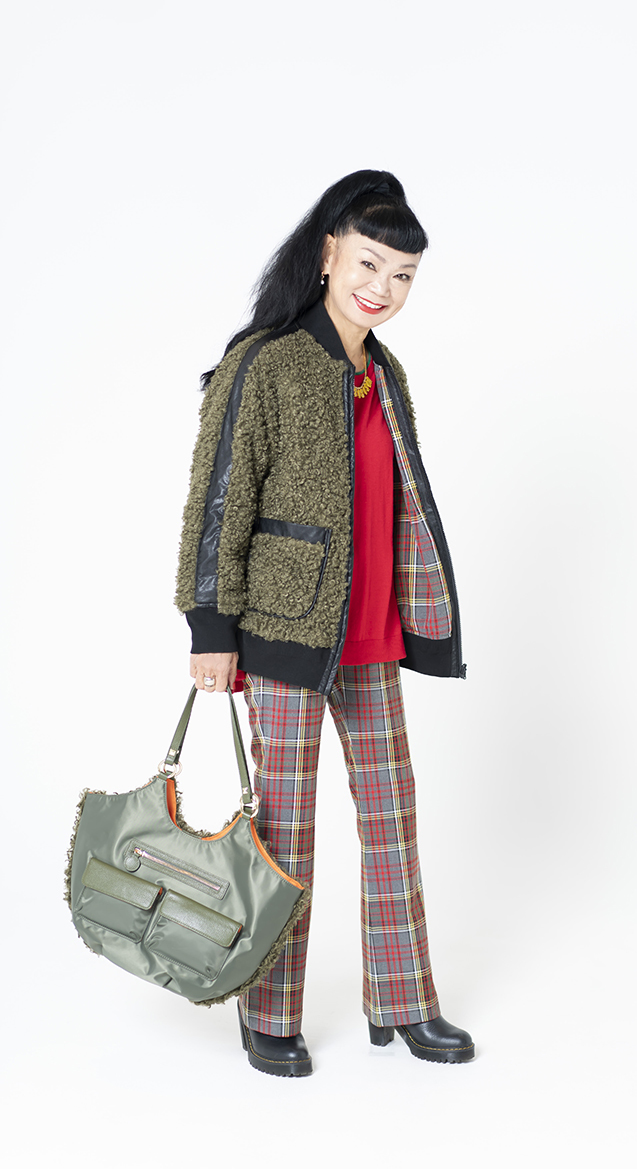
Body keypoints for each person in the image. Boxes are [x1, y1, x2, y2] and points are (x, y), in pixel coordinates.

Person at [176, 169, 473, 1077]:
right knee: (288, 831)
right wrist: (211, 628)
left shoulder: (386, 373)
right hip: (284, 634)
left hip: (372, 635)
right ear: (329, 253)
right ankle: (269, 1014)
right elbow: (218, 499)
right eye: (369, 264)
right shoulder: (265, 363)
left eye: (403, 275)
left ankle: (406, 1001)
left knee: (393, 819)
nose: (382, 287)